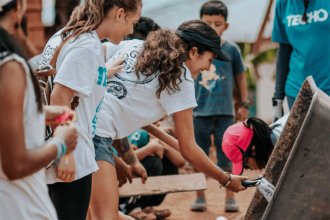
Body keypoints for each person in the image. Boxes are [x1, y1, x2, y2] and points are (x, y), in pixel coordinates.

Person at [93, 20, 247, 220]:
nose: (209, 68)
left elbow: (120, 103)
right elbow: (189, 149)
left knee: (92, 215)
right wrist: (225, 179)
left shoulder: (137, 47)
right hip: (97, 136)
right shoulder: (181, 80)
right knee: (107, 217)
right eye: (210, 59)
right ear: (193, 52)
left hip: (81, 126)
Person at [38, 0, 142, 219]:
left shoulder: (66, 35)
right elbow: (60, 96)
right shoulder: (87, 45)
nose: (131, 30)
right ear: (120, 14)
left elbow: (65, 80)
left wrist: (102, 73)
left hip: (47, 148)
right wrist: (66, 154)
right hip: (70, 152)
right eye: (133, 22)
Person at [0, 0, 77, 219]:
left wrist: (37, 115)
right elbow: (15, 165)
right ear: (18, 8)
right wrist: (61, 144)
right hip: (18, 206)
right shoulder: (9, 66)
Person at [191, 0, 249, 212]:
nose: (213, 28)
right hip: (199, 113)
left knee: (229, 155)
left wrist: (243, 104)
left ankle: (230, 197)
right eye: (207, 23)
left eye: (217, 23)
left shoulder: (232, 50)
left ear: (226, 25)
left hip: (225, 113)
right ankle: (200, 197)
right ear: (200, 23)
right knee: (199, 155)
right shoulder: (194, 50)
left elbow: (241, 78)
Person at [272, 0, 330, 120]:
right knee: (305, 138)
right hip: (297, 91)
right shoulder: (283, 3)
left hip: (327, 88)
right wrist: (277, 99)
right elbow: (284, 51)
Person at [222, 114, 288, 175]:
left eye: (245, 163)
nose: (247, 168)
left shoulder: (287, 142)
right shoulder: (268, 140)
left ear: (254, 150)